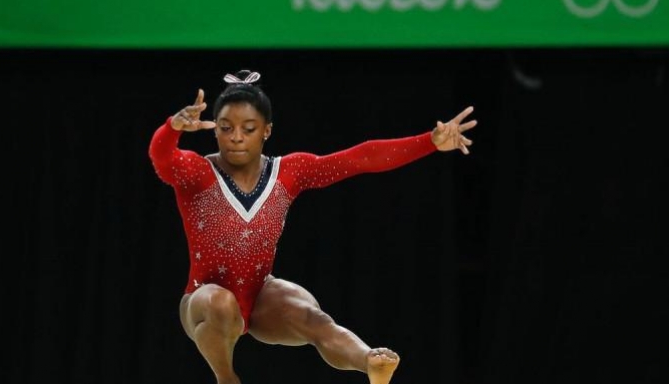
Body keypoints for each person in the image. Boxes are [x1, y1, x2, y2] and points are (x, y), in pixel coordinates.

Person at [148, 70, 477, 384]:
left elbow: (358, 159)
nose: (236, 137)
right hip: (202, 302)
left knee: (313, 318)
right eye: (226, 127)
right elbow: (162, 158)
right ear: (215, 129)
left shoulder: (288, 172)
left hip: (259, 295)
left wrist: (429, 142)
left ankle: (370, 362)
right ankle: (227, 377)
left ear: (267, 131)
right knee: (220, 302)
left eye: (248, 128)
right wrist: (172, 128)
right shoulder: (196, 172)